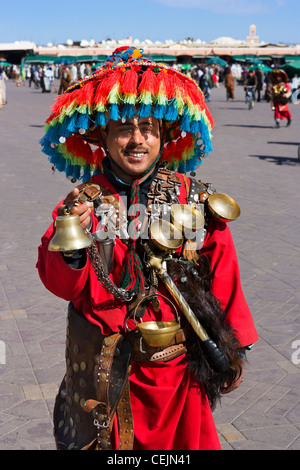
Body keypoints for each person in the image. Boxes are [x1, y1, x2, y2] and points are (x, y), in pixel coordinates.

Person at [37, 46, 258, 451]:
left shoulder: (192, 198)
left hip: (180, 373)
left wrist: (235, 343)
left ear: (164, 136)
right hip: (107, 370)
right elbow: (65, 286)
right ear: (101, 136)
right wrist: (73, 245)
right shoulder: (82, 203)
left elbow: (223, 272)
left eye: (148, 128)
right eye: (123, 128)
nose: (137, 140)